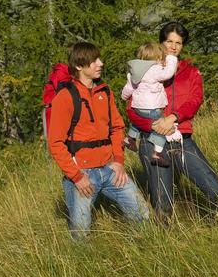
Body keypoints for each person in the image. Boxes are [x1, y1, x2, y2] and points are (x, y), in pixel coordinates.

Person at [127, 22, 218, 220]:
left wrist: (173, 118)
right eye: (169, 41)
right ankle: (162, 244)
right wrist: (154, 125)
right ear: (161, 42)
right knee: (163, 203)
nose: (174, 47)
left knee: (215, 189)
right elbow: (131, 109)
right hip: (152, 140)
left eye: (179, 43)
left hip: (181, 138)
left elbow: (195, 100)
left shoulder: (190, 72)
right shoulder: (145, 70)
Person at [46, 41, 148, 239]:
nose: (100, 63)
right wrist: (76, 177)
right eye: (94, 61)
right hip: (82, 174)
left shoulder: (105, 91)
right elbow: (56, 143)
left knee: (143, 216)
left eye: (99, 59)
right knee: (81, 234)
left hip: (110, 169)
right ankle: (79, 266)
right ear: (79, 66)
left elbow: (117, 127)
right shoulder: (65, 97)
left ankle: (147, 250)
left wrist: (118, 160)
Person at [121, 41, 178, 167]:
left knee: (137, 123)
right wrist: (172, 58)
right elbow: (168, 73)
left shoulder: (133, 72)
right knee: (161, 127)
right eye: (161, 58)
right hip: (152, 107)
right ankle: (157, 154)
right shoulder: (154, 70)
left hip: (138, 107)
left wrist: (123, 97)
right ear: (157, 58)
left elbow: (128, 89)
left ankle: (129, 139)